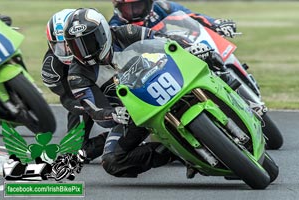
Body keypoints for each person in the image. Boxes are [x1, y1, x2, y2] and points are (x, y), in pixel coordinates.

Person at [63, 8, 188, 178]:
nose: (85, 51)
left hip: (169, 83)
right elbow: (93, 109)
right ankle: (175, 152)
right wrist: (114, 114)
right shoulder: (77, 74)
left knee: (210, 61)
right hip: (134, 114)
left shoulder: (124, 32)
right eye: (77, 45)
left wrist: (189, 47)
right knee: (112, 161)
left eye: (90, 42)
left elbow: (163, 39)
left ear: (103, 33)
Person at [41, 9, 107, 163]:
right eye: (61, 46)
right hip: (86, 93)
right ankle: (114, 139)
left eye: (71, 44)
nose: (68, 51)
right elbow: (69, 98)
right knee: (73, 153)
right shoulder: (52, 68)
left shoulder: (102, 46)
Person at [109, 0, 237, 38]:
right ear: (119, 7)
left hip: (174, 53)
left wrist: (216, 23)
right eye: (128, 8)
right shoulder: (114, 26)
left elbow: (190, 15)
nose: (134, 12)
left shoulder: (161, 7)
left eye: (138, 6)